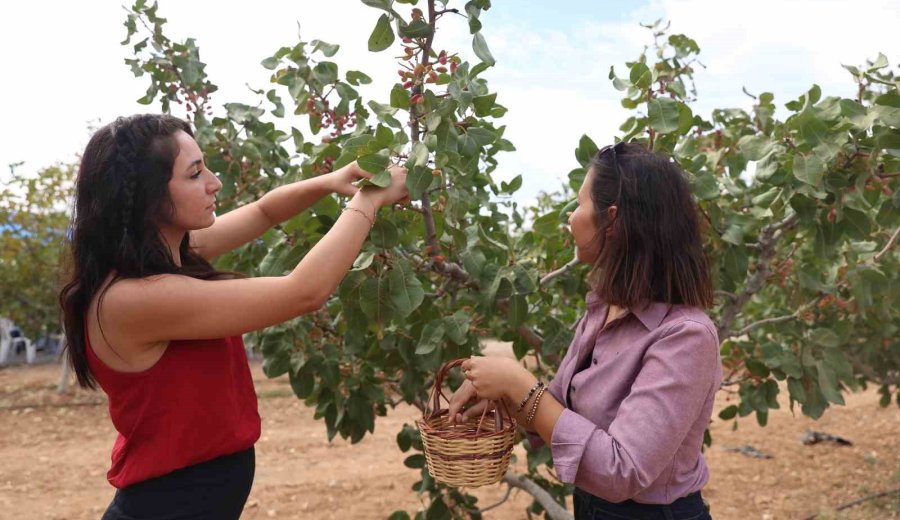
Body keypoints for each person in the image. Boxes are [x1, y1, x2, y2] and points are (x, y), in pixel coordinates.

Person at [58, 114, 408, 520]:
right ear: (149, 197)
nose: (214, 182)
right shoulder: (134, 299)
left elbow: (263, 212)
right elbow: (303, 291)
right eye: (194, 174)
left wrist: (332, 180)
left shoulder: (172, 255)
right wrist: (368, 201)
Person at [448, 142, 721, 520]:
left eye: (579, 204)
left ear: (612, 220)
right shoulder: (604, 308)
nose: (571, 217)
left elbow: (622, 469)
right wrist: (502, 397)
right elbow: (557, 409)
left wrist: (517, 383)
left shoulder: (686, 336)